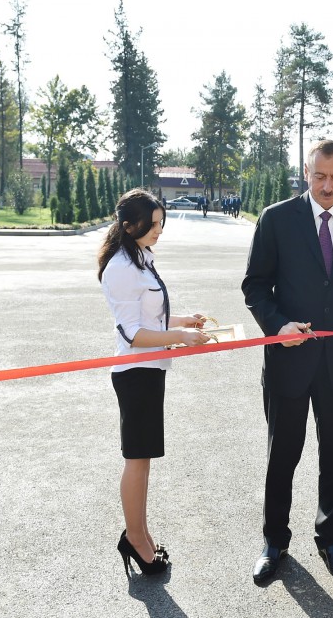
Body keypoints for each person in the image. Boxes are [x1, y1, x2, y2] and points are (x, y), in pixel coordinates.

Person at [241, 139, 333, 583]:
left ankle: (331, 540)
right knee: (282, 455)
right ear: (307, 173)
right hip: (289, 360)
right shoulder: (276, 220)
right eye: (321, 177)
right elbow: (255, 286)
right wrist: (277, 325)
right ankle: (274, 541)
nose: (329, 187)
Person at [98, 188, 212, 576]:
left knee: (143, 460)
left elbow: (152, 318)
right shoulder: (120, 268)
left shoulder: (141, 259)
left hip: (150, 371)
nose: (160, 231)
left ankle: (140, 536)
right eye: (154, 225)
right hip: (135, 373)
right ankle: (135, 540)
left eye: (161, 224)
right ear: (130, 227)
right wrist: (181, 338)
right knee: (136, 460)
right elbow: (133, 334)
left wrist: (184, 322)